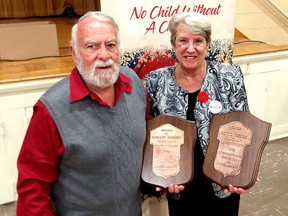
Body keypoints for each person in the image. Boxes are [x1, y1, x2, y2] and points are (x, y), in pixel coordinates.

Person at [16, 11, 146, 216]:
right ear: (74, 52)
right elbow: (33, 188)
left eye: (110, 45)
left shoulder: (133, 84)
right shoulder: (50, 110)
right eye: (92, 46)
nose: (104, 55)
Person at [143, 12, 252, 216]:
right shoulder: (156, 81)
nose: (190, 48)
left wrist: (244, 172)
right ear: (173, 43)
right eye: (183, 40)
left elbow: (244, 126)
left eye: (198, 41)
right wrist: (162, 177)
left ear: (208, 44)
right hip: (179, 182)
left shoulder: (229, 75)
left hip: (222, 180)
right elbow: (152, 136)